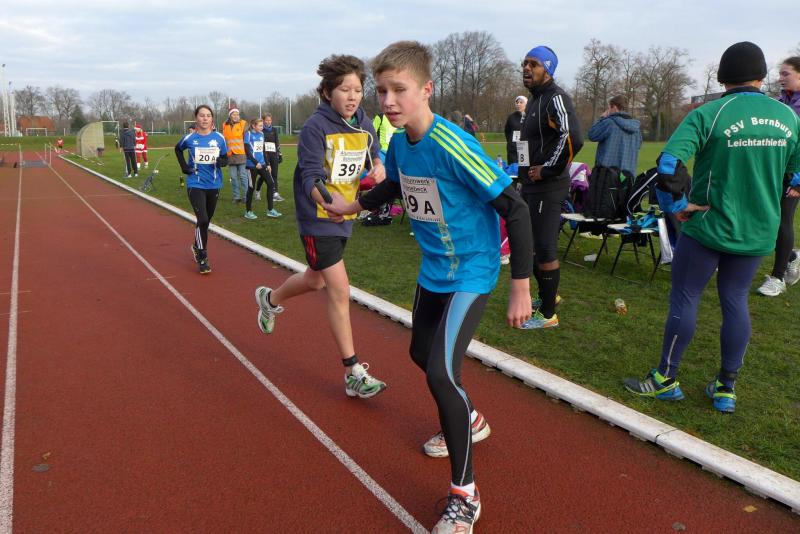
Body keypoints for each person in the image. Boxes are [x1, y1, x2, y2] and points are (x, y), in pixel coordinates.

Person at [325, 41, 533, 534]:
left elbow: (516, 208)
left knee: (441, 372)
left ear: (426, 90)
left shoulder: (453, 145)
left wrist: (521, 287)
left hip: (472, 270)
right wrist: (351, 206)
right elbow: (394, 186)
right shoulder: (400, 144)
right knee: (422, 354)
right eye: (382, 91)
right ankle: (471, 419)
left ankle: (465, 494)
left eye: (399, 90)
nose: (388, 101)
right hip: (434, 270)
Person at [624, 42, 800, 413]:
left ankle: (665, 378)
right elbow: (797, 173)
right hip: (758, 231)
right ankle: (726, 387)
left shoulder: (710, 112)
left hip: (708, 225)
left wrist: (675, 206)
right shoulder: (788, 117)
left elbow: (668, 164)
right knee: (735, 300)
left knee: (686, 297)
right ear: (761, 75)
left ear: (722, 77)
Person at [253, 54, 388, 400]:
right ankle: (353, 371)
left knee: (315, 280)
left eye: (357, 89)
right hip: (319, 217)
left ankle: (269, 299)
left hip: (345, 214)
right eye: (344, 89)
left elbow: (374, 150)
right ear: (328, 92)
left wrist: (379, 165)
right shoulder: (316, 127)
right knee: (339, 289)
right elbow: (310, 177)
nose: (352, 96)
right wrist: (330, 203)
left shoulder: (363, 122)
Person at [517, 45, 583, 329]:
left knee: (544, 247)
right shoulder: (534, 101)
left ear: (548, 69)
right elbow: (527, 141)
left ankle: (547, 316)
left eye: (534, 64)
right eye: (524, 63)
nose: (526, 68)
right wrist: (522, 172)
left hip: (549, 186)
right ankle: (548, 297)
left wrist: (547, 169)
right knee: (530, 244)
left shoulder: (556, 98)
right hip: (531, 185)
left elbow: (573, 137)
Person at [756, 56, 800, 296]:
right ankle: (792, 256)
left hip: (794, 175)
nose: (780, 78)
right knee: (765, 220)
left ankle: (778, 278)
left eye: (786, 74)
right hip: (773, 169)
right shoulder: (780, 103)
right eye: (780, 73)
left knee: (783, 220)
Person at [174, 105, 229, 274]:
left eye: (208, 115)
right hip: (195, 184)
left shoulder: (219, 138)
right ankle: (202, 256)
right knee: (203, 219)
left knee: (205, 222)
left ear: (212, 119)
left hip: (214, 184)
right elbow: (178, 149)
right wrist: (184, 166)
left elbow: (225, 157)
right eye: (202, 115)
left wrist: (222, 162)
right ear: (196, 118)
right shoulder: (189, 138)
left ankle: (196, 245)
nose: (205, 118)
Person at [586, 95, 642, 177]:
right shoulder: (637, 129)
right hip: (627, 176)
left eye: (609, 108)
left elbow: (592, 135)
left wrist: (602, 118)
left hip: (606, 175)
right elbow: (638, 146)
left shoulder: (609, 123)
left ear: (614, 107)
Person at [243, 117, 280, 219]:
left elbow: (263, 150)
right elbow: (247, 151)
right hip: (252, 165)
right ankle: (248, 211)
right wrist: (255, 162)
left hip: (262, 164)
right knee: (251, 188)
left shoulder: (261, 134)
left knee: (271, 183)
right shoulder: (248, 134)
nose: (262, 127)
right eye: (260, 125)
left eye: (262, 125)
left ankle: (270, 210)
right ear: (253, 126)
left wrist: (267, 164)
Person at [222, 106, 249, 203]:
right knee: (233, 177)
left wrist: (248, 152)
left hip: (241, 154)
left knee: (243, 176)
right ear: (230, 115)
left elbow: (246, 139)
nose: (236, 116)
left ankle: (246, 196)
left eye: (237, 114)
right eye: (234, 114)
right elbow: (224, 139)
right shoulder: (224, 125)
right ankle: (236, 197)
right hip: (230, 155)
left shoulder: (243, 123)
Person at [256, 113, 284, 202]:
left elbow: (277, 142)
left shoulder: (274, 130)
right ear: (263, 121)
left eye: (270, 120)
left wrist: (279, 154)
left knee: (274, 174)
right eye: (266, 120)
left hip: (273, 155)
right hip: (265, 155)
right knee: (264, 175)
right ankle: (257, 191)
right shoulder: (261, 130)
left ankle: (275, 193)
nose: (268, 122)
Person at [503, 95, 527, 164]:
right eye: (517, 102)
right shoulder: (511, 116)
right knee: (513, 167)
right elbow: (507, 131)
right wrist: (510, 142)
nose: (518, 104)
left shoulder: (529, 116)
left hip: (524, 147)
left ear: (526, 104)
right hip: (512, 147)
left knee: (523, 167)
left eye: (521, 102)